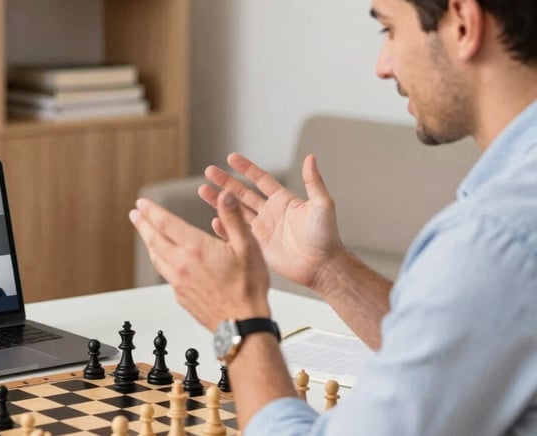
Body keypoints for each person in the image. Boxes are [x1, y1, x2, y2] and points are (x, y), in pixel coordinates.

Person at [130, 0, 537, 434]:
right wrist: (329, 269)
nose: (382, 66)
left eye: (390, 30)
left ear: (463, 24)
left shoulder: (495, 239)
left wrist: (239, 321)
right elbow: (460, 355)